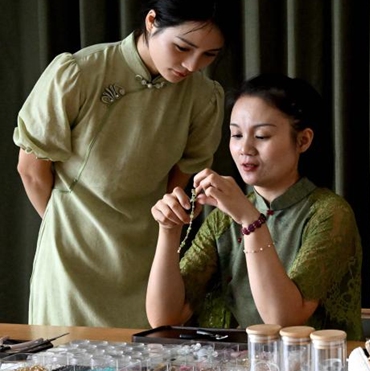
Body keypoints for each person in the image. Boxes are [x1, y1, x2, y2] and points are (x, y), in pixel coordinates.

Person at [13, 0, 230, 328]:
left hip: (145, 259)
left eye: (208, 55)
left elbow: (179, 182)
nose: (191, 64)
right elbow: (31, 170)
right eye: (182, 47)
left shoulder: (203, 96)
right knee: (65, 370)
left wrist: (168, 225)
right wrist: (70, 226)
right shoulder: (81, 72)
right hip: (71, 260)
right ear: (152, 21)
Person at [146, 73, 363, 340]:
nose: (244, 148)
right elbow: (164, 317)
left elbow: (283, 320)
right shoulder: (222, 220)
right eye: (236, 134)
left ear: (303, 141)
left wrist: (250, 220)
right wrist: (169, 230)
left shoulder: (329, 213)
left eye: (261, 136)